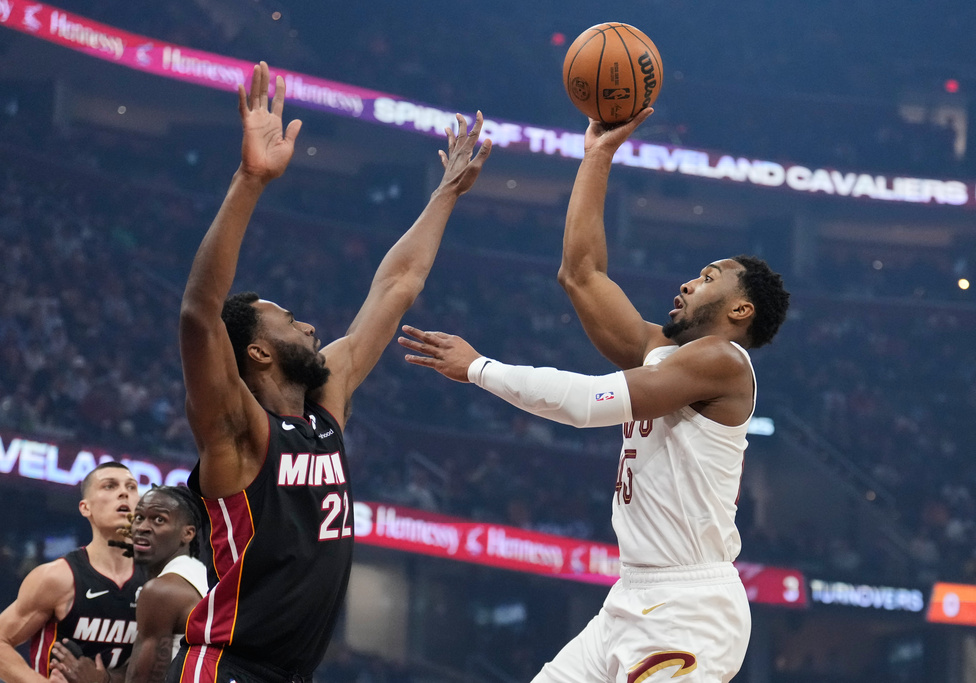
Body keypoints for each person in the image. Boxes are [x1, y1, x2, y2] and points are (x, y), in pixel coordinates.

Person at [398, 110, 790, 683]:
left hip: (689, 609)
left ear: (740, 309)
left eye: (708, 276)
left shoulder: (721, 362)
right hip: (631, 595)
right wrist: (597, 157)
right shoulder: (663, 354)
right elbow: (581, 273)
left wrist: (480, 368)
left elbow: (585, 405)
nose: (687, 282)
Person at [170, 61, 490, 683]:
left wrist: (446, 191)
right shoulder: (237, 428)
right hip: (226, 666)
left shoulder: (326, 403)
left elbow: (397, 284)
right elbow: (199, 313)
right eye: (287, 319)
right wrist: (250, 180)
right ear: (257, 353)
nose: (311, 326)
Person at [0, 462, 143, 682]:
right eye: (110, 486)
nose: (124, 493)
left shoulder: (158, 581)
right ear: (86, 508)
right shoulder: (58, 577)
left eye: (131, 487)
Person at [50, 486, 209, 683]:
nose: (142, 527)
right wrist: (104, 678)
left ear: (188, 533)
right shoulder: (197, 573)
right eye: (139, 517)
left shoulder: (161, 591)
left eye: (159, 520)